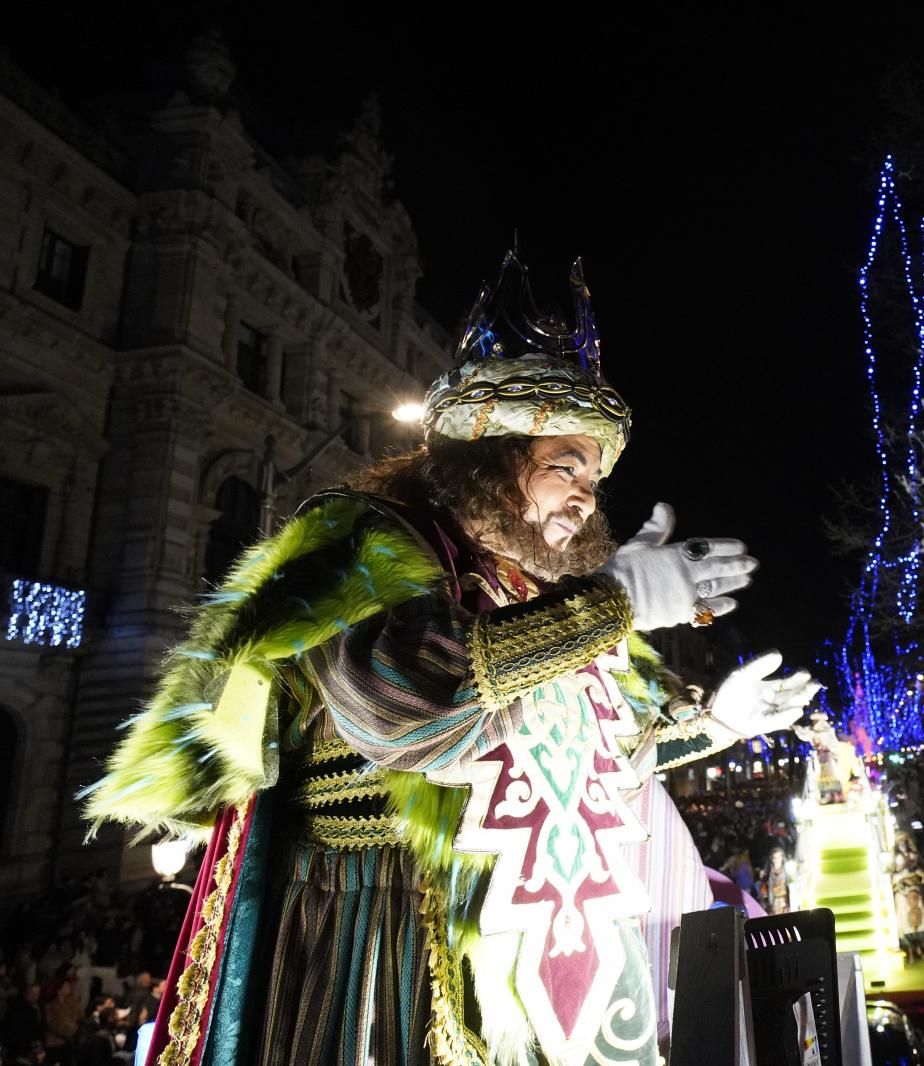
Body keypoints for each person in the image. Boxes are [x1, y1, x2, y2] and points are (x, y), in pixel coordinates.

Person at [83, 252, 820, 1066]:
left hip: (535, 949)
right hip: (385, 934)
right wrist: (615, 603)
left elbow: (611, 759)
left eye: (595, 478)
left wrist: (717, 718)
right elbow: (407, 710)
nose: (585, 496)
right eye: (564, 468)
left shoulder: (541, 593)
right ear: (489, 462)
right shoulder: (366, 539)